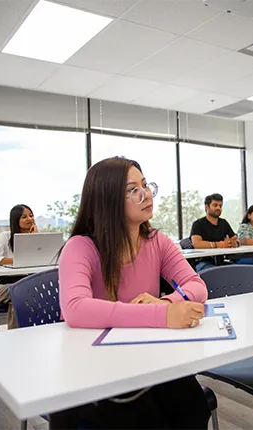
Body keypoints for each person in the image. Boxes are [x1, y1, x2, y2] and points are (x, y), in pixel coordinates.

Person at [54, 157, 210, 430]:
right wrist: (161, 315)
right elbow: (76, 309)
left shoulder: (157, 241)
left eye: (146, 185)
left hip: (147, 358)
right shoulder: (80, 247)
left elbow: (197, 287)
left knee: (193, 406)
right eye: (134, 190)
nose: (146, 194)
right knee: (147, 419)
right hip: (93, 370)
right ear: (108, 200)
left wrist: (164, 302)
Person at [0, 204, 38, 329]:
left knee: (19, 298)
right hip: (0, 287)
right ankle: (21, 335)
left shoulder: (35, 236)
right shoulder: (5, 236)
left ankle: (17, 337)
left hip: (25, 285)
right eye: (24, 217)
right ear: (16, 220)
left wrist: (35, 238)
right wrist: (15, 261)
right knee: (22, 292)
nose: (29, 219)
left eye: (31, 215)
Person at [190, 193, 239, 271]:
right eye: (215, 205)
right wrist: (221, 244)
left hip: (221, 261)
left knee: (238, 270)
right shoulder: (198, 224)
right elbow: (197, 244)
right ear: (207, 207)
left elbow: (235, 239)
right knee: (215, 273)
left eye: (220, 206)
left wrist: (234, 243)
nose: (218, 208)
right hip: (202, 262)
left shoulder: (224, 223)